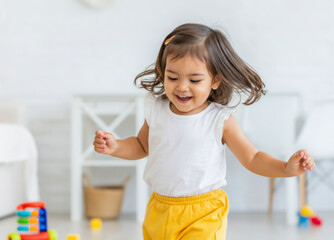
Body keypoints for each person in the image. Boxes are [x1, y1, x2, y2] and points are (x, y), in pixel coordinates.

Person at [93, 23, 315, 240]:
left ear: (215, 80)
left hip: (203, 212)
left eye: (195, 79)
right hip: (159, 209)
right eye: (172, 77)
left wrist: (286, 168)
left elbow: (252, 158)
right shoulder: (157, 109)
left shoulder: (219, 119)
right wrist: (116, 146)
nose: (182, 86)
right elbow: (141, 146)